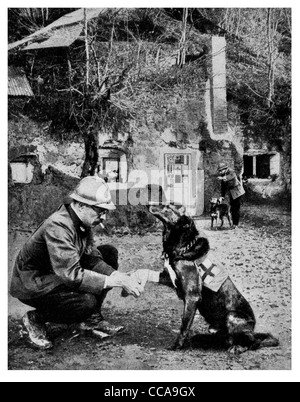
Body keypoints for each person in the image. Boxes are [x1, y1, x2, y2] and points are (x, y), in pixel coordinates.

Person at [10, 176, 159, 350]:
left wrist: (117, 275)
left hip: (57, 273)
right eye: (100, 211)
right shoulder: (58, 225)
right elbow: (71, 275)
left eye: (105, 211)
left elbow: (90, 257)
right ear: (81, 205)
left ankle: (91, 319)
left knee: (108, 253)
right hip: (34, 282)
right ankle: (36, 318)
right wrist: (117, 282)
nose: (103, 217)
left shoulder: (80, 220)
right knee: (85, 303)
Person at [217, 163, 245, 229]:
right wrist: (222, 196)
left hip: (238, 193)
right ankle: (233, 224)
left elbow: (232, 176)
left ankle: (236, 224)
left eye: (221, 170)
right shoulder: (223, 175)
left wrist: (223, 178)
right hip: (232, 193)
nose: (220, 172)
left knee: (236, 208)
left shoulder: (231, 171)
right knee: (232, 208)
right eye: (219, 171)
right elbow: (223, 187)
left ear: (225, 169)